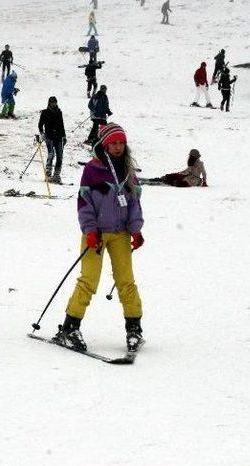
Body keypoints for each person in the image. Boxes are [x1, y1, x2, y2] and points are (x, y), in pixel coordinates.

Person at [54, 122, 145, 354]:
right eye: (113, 143)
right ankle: (70, 327)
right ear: (105, 143)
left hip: (121, 233)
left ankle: (134, 328)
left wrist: (136, 229)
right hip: (95, 234)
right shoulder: (93, 170)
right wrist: (90, 230)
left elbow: (134, 202)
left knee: (126, 280)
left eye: (121, 143)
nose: (117, 147)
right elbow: (84, 203)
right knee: (89, 280)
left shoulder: (127, 171)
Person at [38, 96, 67, 184]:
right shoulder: (45, 112)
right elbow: (40, 124)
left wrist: (64, 136)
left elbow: (62, 124)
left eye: (55, 102)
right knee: (51, 154)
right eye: (52, 102)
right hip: (49, 136)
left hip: (58, 136)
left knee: (60, 155)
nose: (54, 104)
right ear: (49, 103)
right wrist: (42, 133)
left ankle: (57, 175)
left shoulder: (59, 112)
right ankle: (48, 173)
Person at [141, 149, 207, 187]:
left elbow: (204, 173)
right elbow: (188, 170)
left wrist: (204, 182)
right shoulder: (191, 162)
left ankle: (159, 182)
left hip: (194, 180)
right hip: (187, 176)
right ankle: (152, 180)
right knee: (170, 176)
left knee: (178, 183)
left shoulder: (200, 164)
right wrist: (180, 173)